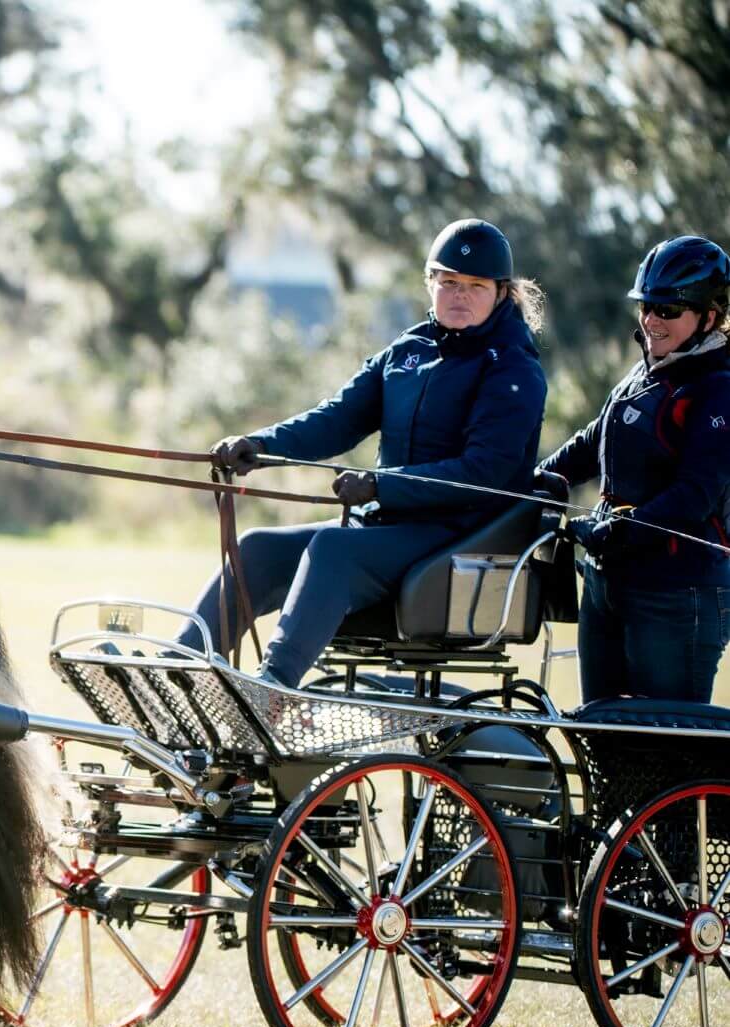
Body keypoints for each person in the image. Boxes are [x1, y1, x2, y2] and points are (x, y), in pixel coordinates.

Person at [177, 218, 548, 686]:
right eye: (449, 282)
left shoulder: (513, 368)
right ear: (430, 283)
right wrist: (262, 445)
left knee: (334, 548)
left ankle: (273, 688)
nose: (459, 295)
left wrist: (380, 485)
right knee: (258, 550)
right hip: (389, 527)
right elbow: (338, 418)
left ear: (501, 293)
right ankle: (181, 670)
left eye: (475, 286)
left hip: (457, 534)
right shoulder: (408, 350)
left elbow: (481, 472)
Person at [539, 235, 730, 704]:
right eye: (646, 306)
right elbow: (592, 442)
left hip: (675, 592)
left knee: (666, 749)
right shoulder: (646, 372)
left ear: (709, 315)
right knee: (601, 734)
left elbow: (695, 495)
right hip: (608, 582)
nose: (650, 320)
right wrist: (538, 481)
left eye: (668, 310)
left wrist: (618, 528)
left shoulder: (717, 388)